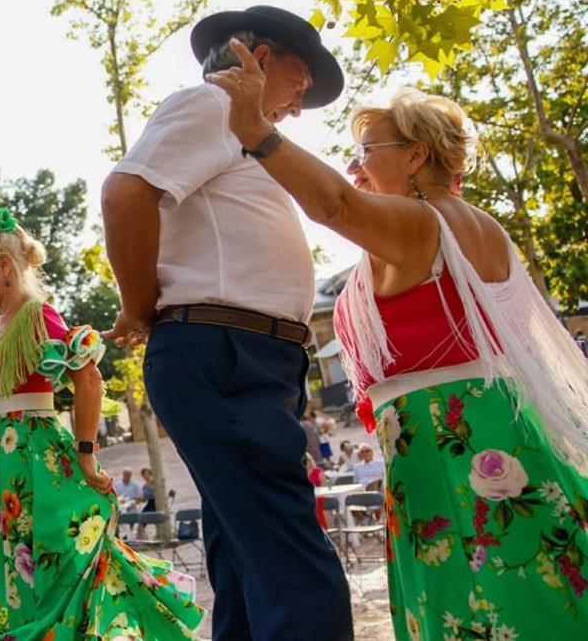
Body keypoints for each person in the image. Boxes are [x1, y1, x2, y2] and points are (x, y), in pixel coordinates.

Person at [209, 42, 588, 637]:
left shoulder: (422, 223)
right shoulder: (478, 223)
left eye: (366, 152)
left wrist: (256, 128)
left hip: (446, 444)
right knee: (535, 580)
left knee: (476, 598)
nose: (355, 167)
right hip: (494, 432)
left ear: (416, 155)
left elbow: (334, 203)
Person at [101, 4, 353, 641]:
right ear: (259, 59)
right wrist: (139, 307)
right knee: (295, 563)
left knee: (246, 558)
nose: (298, 105)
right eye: (301, 82)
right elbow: (125, 192)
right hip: (227, 350)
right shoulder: (213, 105)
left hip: (245, 356)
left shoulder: (241, 130)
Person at [0, 196, 205, 639]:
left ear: (5, 266)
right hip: (10, 454)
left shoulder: (38, 315)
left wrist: (86, 455)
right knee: (24, 550)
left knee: (58, 547)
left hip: (41, 448)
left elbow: (89, 381)